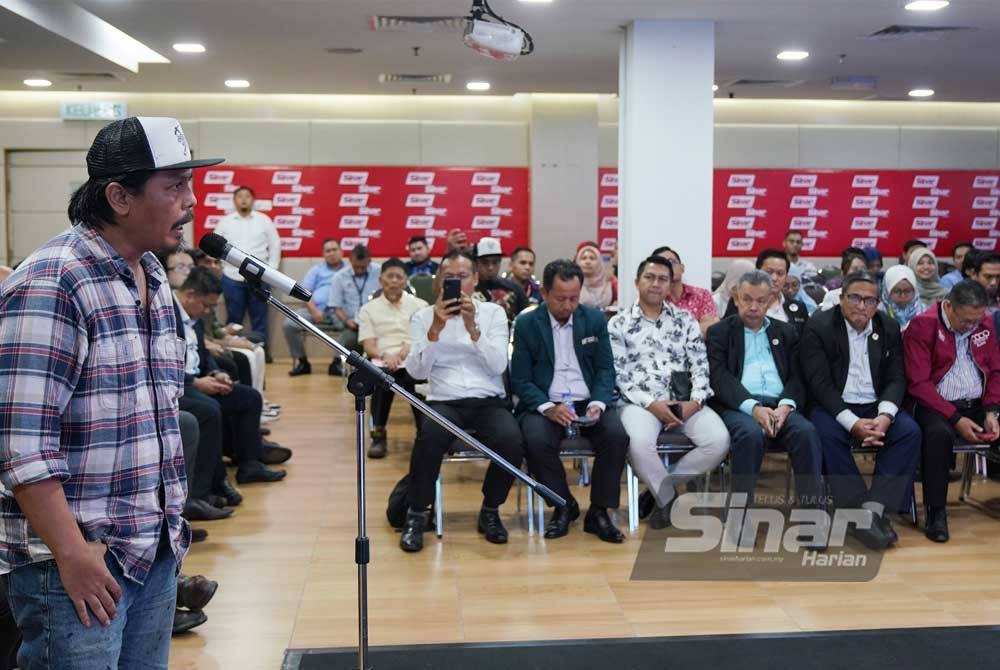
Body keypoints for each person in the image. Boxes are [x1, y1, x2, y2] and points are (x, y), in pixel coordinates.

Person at [0, 116, 223, 667]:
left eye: (188, 185)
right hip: (75, 564)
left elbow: (158, 415)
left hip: (153, 553)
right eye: (173, 187)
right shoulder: (52, 283)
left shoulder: (151, 276)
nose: (190, 202)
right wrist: (73, 554)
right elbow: (21, 446)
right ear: (119, 196)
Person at [399, 251, 524, 552]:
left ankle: (490, 510)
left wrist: (473, 328)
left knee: (511, 440)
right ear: (439, 280)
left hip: (487, 401)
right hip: (446, 401)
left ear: (476, 279)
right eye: (449, 277)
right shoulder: (422, 317)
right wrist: (435, 330)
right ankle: (417, 514)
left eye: (463, 276)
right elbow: (416, 372)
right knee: (428, 438)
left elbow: (497, 367)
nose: (455, 282)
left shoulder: (493, 314)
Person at [800, 271, 921, 550]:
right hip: (833, 405)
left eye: (870, 300)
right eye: (855, 298)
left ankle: (874, 511)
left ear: (878, 303)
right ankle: (855, 509)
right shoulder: (820, 326)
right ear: (841, 299)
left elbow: (896, 378)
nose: (862, 306)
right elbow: (819, 384)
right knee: (823, 433)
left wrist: (885, 416)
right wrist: (852, 422)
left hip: (874, 404)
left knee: (909, 431)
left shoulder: (888, 327)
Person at [511, 259, 629, 543]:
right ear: (545, 294)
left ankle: (599, 512)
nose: (568, 305)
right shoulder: (527, 324)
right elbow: (520, 379)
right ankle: (563, 505)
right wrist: (548, 408)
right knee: (535, 440)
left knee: (616, 436)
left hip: (587, 399)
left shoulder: (594, 320)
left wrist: (599, 402)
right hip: (546, 403)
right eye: (560, 298)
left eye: (574, 298)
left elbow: (604, 369)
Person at [608, 256, 730, 528]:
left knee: (718, 441)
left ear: (670, 284)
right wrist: (653, 405)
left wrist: (695, 402)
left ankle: (662, 487)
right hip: (639, 403)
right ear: (637, 282)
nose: (656, 284)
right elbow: (620, 375)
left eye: (663, 279)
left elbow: (700, 365)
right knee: (638, 444)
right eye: (650, 278)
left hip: (684, 401)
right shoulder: (618, 323)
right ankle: (667, 498)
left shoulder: (685, 320)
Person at [706, 270, 823, 545]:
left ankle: (810, 521)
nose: (753, 307)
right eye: (747, 299)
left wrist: (785, 407)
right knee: (749, 434)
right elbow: (720, 378)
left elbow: (798, 376)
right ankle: (740, 518)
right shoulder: (720, 333)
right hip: (738, 407)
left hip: (780, 405)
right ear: (735, 297)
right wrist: (753, 408)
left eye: (760, 300)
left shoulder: (787, 332)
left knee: (806, 433)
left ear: (772, 300)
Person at [904, 281, 1000, 543]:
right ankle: (936, 512)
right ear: (948, 306)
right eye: (966, 321)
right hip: (935, 404)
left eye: (976, 320)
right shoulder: (922, 326)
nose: (972, 327)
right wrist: (955, 419)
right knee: (939, 435)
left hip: (977, 403)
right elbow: (918, 384)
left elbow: (995, 372)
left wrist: (992, 411)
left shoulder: (985, 323)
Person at [174, 268, 288, 486]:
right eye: (206, 305)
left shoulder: (193, 315)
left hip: (198, 381)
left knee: (249, 398)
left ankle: (250, 465)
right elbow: (161, 364)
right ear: (190, 294)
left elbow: (203, 355)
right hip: (179, 386)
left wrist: (217, 373)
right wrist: (196, 383)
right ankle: (211, 486)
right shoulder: (166, 315)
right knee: (210, 410)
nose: (208, 311)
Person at [357, 258, 428, 459]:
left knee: (418, 380)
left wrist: (406, 350)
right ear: (381, 280)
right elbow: (368, 344)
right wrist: (385, 355)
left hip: (411, 357)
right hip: (383, 359)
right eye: (390, 276)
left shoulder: (420, 306)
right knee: (381, 379)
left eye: (399, 277)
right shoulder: (368, 309)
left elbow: (423, 337)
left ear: (406, 281)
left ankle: (424, 436)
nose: (394, 281)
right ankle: (378, 436)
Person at [214, 185, 282, 355]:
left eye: (247, 196)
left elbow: (275, 246)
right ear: (234, 201)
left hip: (259, 278)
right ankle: (236, 353)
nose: (244, 199)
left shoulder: (264, 220)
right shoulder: (225, 222)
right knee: (234, 320)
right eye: (240, 196)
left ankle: (262, 353)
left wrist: (270, 271)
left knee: (260, 319)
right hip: (231, 277)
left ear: (253, 200)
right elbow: (215, 247)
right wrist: (221, 269)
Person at [284, 238, 348, 376]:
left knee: (351, 327)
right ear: (323, 254)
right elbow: (305, 293)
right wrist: (314, 310)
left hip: (338, 312)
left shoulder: (348, 271)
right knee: (289, 324)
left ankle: (337, 363)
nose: (331, 253)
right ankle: (303, 362)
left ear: (341, 252)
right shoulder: (316, 270)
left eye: (334, 250)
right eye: (328, 251)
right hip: (314, 309)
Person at [724, 249, 809, 335]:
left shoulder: (798, 308)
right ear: (756, 272)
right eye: (769, 272)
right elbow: (726, 335)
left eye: (780, 273)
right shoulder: (741, 302)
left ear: (786, 276)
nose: (774, 278)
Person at [328, 245, 381, 375]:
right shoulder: (339, 277)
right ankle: (344, 365)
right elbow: (336, 307)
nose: (359, 270)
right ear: (350, 260)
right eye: (356, 266)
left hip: (376, 321)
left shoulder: (379, 272)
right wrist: (347, 320)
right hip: (352, 322)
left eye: (363, 267)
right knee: (350, 339)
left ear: (369, 261)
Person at [652, 246, 720, 336]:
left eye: (671, 262)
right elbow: (656, 335)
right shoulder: (653, 299)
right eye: (662, 264)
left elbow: (710, 328)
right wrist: (696, 328)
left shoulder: (702, 295)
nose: (668, 266)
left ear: (682, 268)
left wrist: (674, 333)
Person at [473, 237, 529, 321]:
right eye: (485, 262)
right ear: (476, 263)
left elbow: (526, 320)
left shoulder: (515, 289)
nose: (491, 267)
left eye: (495, 262)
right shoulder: (468, 289)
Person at [575, 241, 618, 311]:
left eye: (592, 258)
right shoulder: (572, 283)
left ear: (599, 262)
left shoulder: (611, 282)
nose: (588, 262)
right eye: (584, 258)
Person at [879, 264, 924, 330]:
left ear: (915, 291)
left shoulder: (925, 312)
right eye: (897, 291)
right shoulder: (878, 314)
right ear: (887, 292)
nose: (903, 296)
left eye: (907, 291)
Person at [965, 250, 1000, 315]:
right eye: (988, 277)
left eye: (998, 277)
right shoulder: (961, 300)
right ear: (974, 274)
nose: (994, 283)